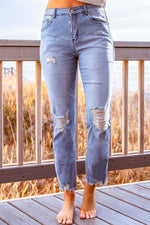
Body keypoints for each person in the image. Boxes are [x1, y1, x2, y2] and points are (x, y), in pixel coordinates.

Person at [40, 0, 114, 224]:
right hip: (54, 23)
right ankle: (68, 195)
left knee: (100, 119)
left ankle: (90, 190)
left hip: (94, 24)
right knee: (61, 121)